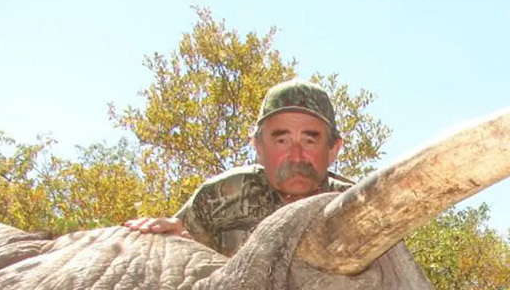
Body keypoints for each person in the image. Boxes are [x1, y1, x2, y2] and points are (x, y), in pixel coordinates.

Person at [125, 79, 351, 256]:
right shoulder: (220, 198)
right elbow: (180, 264)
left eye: (309, 141)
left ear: (333, 149)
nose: (296, 156)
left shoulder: (358, 206)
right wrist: (173, 242)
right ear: (259, 148)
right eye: (281, 141)